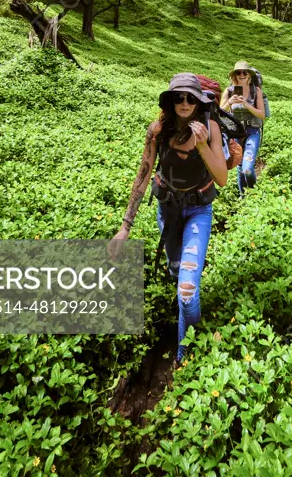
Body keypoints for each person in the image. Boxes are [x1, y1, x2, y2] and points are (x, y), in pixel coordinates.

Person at [110, 73, 227, 364]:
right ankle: (186, 320)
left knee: (187, 293)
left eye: (190, 97)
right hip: (168, 210)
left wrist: (201, 145)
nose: (184, 102)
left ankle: (182, 354)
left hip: (198, 210)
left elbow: (222, 178)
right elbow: (143, 175)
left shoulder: (210, 128)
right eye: (178, 97)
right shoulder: (157, 130)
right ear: (170, 100)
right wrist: (125, 227)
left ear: (198, 101)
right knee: (178, 275)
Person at [220, 61, 265, 197]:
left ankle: (253, 194)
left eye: (245, 72)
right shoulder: (229, 91)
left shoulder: (255, 91)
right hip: (235, 132)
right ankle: (242, 197)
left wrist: (246, 104)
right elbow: (219, 112)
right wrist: (229, 102)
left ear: (249, 75)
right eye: (238, 72)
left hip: (252, 130)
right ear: (235, 75)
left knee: (247, 169)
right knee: (240, 167)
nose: (242, 75)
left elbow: (261, 114)